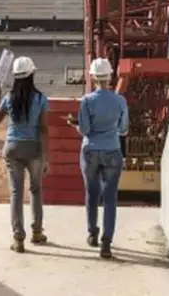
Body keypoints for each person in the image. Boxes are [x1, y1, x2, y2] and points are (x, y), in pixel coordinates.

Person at [70, 58, 129, 259]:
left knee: (91, 193)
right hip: (112, 150)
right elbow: (123, 129)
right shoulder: (120, 101)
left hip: (90, 152)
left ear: (92, 77)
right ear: (110, 76)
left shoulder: (87, 101)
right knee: (110, 198)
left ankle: (92, 233)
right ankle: (106, 242)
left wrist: (75, 125)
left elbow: (85, 129)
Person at [0, 56, 50, 253]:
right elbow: (43, 129)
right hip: (33, 148)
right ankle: (36, 232)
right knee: (36, 189)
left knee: (16, 193)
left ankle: (18, 238)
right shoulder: (41, 99)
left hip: (12, 147)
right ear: (32, 74)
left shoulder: (9, 98)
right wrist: (45, 157)